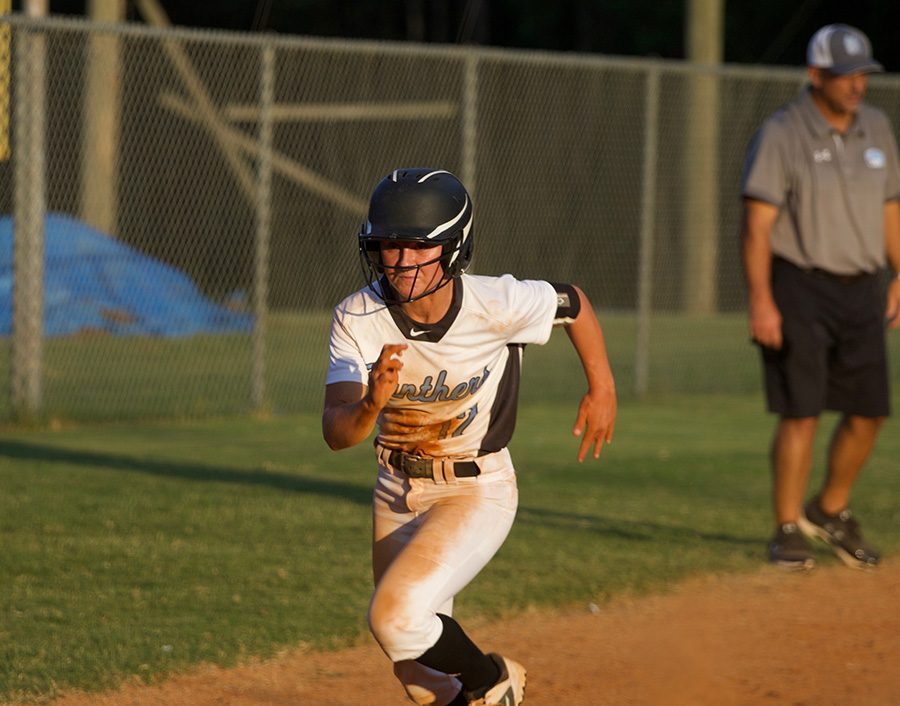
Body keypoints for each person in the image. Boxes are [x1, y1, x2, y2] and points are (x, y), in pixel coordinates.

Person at [322, 167, 617, 705]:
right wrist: (370, 405)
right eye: (389, 245)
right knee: (417, 678)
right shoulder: (358, 316)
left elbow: (573, 303)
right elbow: (337, 432)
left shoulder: (496, 304)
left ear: (454, 248)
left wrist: (602, 387)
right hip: (395, 489)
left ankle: (489, 679)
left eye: (419, 247)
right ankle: (480, 693)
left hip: (474, 488)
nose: (401, 260)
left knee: (395, 617)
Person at [740, 24, 900, 570]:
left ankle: (829, 509)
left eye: (862, 74)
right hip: (800, 285)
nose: (857, 85)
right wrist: (761, 299)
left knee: (869, 411)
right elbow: (757, 225)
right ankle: (787, 528)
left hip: (862, 288)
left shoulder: (876, 128)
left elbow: (890, 210)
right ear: (816, 76)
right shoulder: (783, 132)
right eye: (844, 75)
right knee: (800, 411)